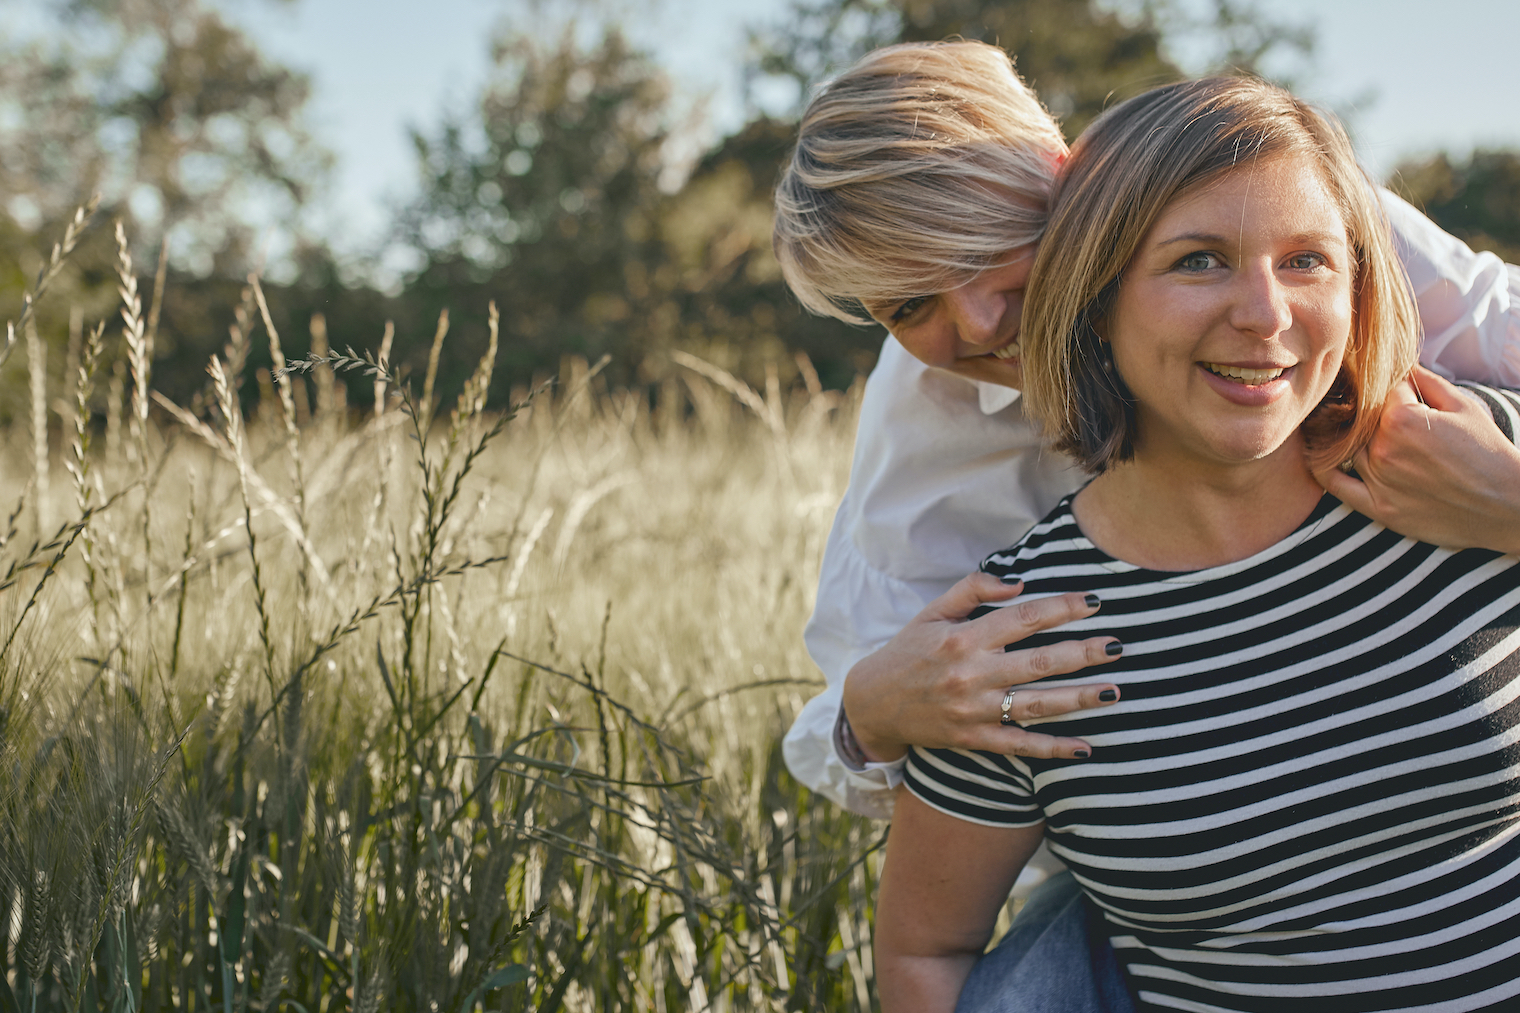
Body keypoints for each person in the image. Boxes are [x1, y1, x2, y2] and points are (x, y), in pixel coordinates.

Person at [875, 73, 1520, 1012]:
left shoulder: (1476, 464)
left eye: (1307, 261)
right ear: (1094, 298)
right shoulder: (1017, 637)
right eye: (1199, 261)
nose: (1265, 315)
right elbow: (926, 953)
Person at [773, 41, 1520, 821]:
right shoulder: (923, 427)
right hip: (1127, 855)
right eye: (910, 306)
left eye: (989, 246)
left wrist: (1509, 502)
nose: (983, 321)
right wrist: (873, 712)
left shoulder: (1270, 209)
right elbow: (855, 720)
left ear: (1061, 165)